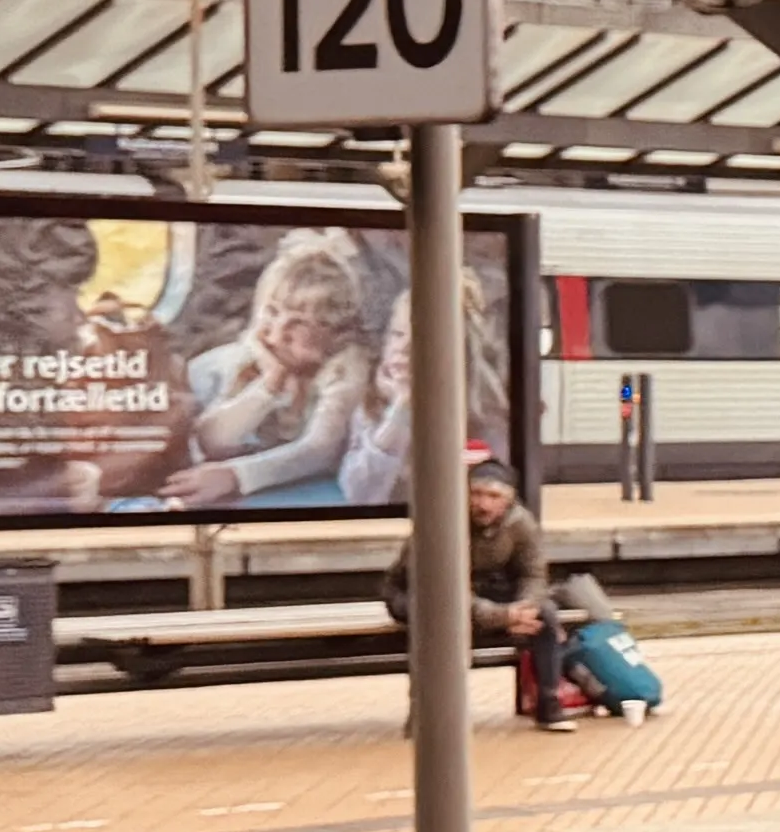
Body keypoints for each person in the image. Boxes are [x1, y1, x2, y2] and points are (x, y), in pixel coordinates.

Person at [378, 452, 662, 723]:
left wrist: (525, 608)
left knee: (545, 616)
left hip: (482, 590)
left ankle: (548, 703)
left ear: (509, 500)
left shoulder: (520, 523)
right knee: (438, 620)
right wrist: (504, 616)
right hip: (418, 593)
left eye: (493, 496)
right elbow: (442, 591)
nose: (483, 504)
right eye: (476, 494)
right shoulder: (441, 521)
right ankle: (426, 715)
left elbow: (534, 574)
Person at [167, 235, 378, 510]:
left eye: (299, 323)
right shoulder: (243, 363)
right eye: (272, 312)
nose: (277, 333)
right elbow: (212, 441)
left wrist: (236, 476)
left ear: (335, 332)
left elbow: (320, 450)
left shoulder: (347, 367)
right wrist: (269, 384)